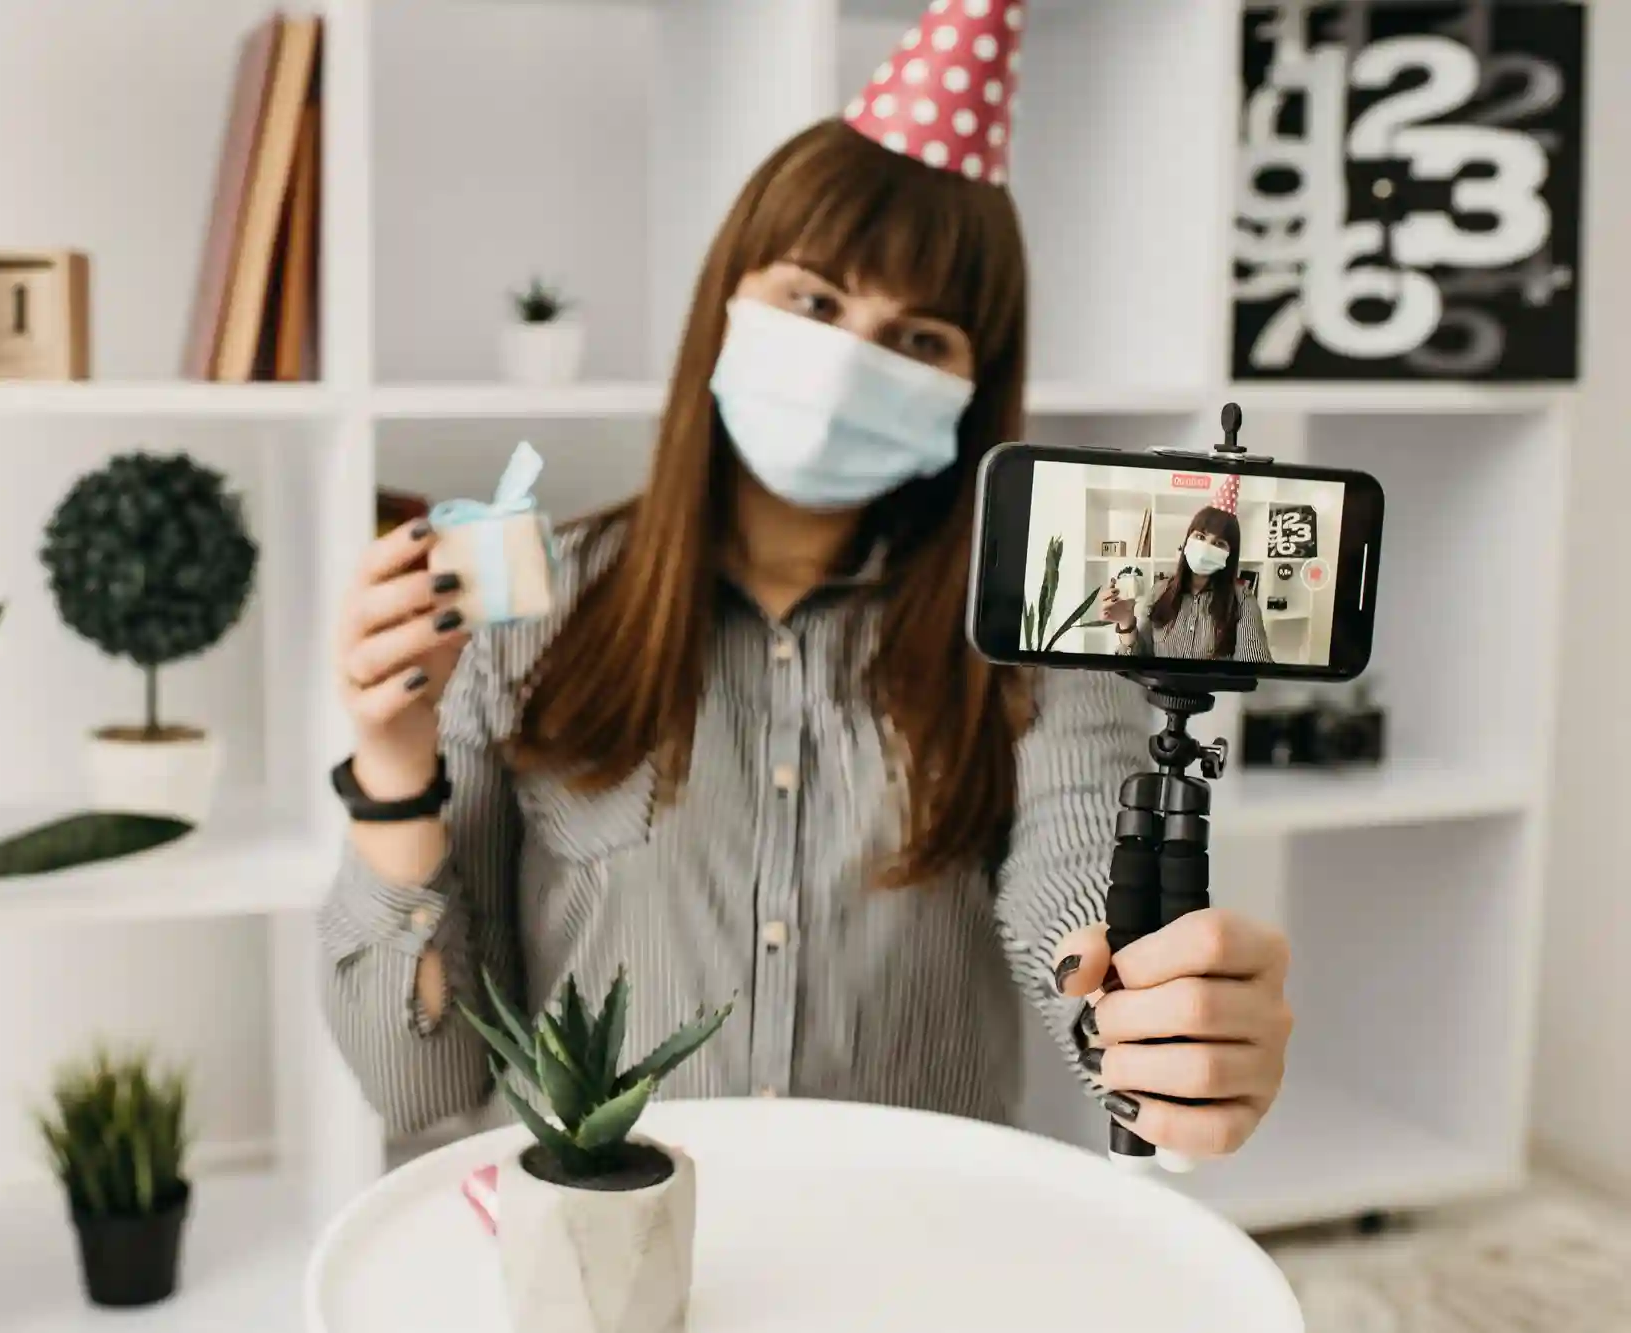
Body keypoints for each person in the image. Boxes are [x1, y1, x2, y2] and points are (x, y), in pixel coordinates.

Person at [319, 0, 1291, 1165]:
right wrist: (392, 763)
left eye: (919, 339)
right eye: (815, 302)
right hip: (597, 1229)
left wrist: (1150, 1020)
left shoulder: (1034, 633)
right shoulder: (531, 609)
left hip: (908, 1231)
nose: (848, 362)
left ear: (972, 384)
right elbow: (416, 1082)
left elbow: (1080, 874)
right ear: (726, 303)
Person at [1104, 505, 1272, 663]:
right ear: (1187, 541)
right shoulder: (1159, 592)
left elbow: (1254, 670)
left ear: (1230, 555)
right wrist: (1126, 622)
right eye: (1200, 537)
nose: (1206, 548)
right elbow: (1139, 662)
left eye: (1219, 543)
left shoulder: (1242, 600)